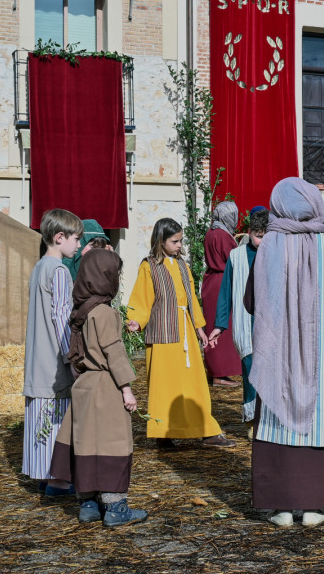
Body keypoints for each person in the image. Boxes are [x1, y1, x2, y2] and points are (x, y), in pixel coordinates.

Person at [244, 178, 324, 527]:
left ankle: (280, 507)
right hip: (323, 358)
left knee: (278, 422)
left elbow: (251, 302)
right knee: (322, 418)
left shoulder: (270, 246)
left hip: (278, 356)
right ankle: (316, 506)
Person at [49, 249, 148, 527]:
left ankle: (89, 504)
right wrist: (126, 388)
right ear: (105, 278)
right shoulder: (104, 312)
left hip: (84, 385)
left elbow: (74, 354)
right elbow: (113, 351)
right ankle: (116, 508)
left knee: (86, 443)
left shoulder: (81, 310)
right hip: (105, 386)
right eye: (114, 274)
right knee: (111, 444)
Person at [126, 218, 235, 450]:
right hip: (163, 333)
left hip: (185, 331)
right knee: (164, 385)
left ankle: (207, 431)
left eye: (180, 241)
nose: (179, 245)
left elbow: (191, 299)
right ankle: (163, 433)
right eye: (174, 241)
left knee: (195, 384)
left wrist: (199, 328)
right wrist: (135, 320)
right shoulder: (149, 266)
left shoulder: (183, 265)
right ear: (161, 241)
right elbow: (142, 298)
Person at [22, 209, 84, 496]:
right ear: (59, 237)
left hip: (37, 359)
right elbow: (61, 317)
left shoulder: (39, 267)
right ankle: (57, 481)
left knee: (40, 414)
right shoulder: (59, 271)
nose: (79, 245)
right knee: (56, 417)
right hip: (53, 362)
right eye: (76, 239)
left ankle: (43, 476)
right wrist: (69, 357)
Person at [208, 207, 270, 435]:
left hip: (273, 325)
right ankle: (254, 420)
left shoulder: (279, 254)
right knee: (251, 370)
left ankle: (272, 419)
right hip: (248, 323)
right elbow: (226, 292)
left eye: (266, 235)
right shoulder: (237, 256)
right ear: (250, 232)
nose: (261, 241)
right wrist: (219, 325)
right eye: (257, 235)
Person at [202, 202, 242, 387]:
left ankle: (215, 371)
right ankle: (220, 374)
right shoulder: (222, 234)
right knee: (221, 328)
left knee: (212, 325)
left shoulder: (211, 232)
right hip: (222, 282)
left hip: (211, 281)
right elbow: (233, 258)